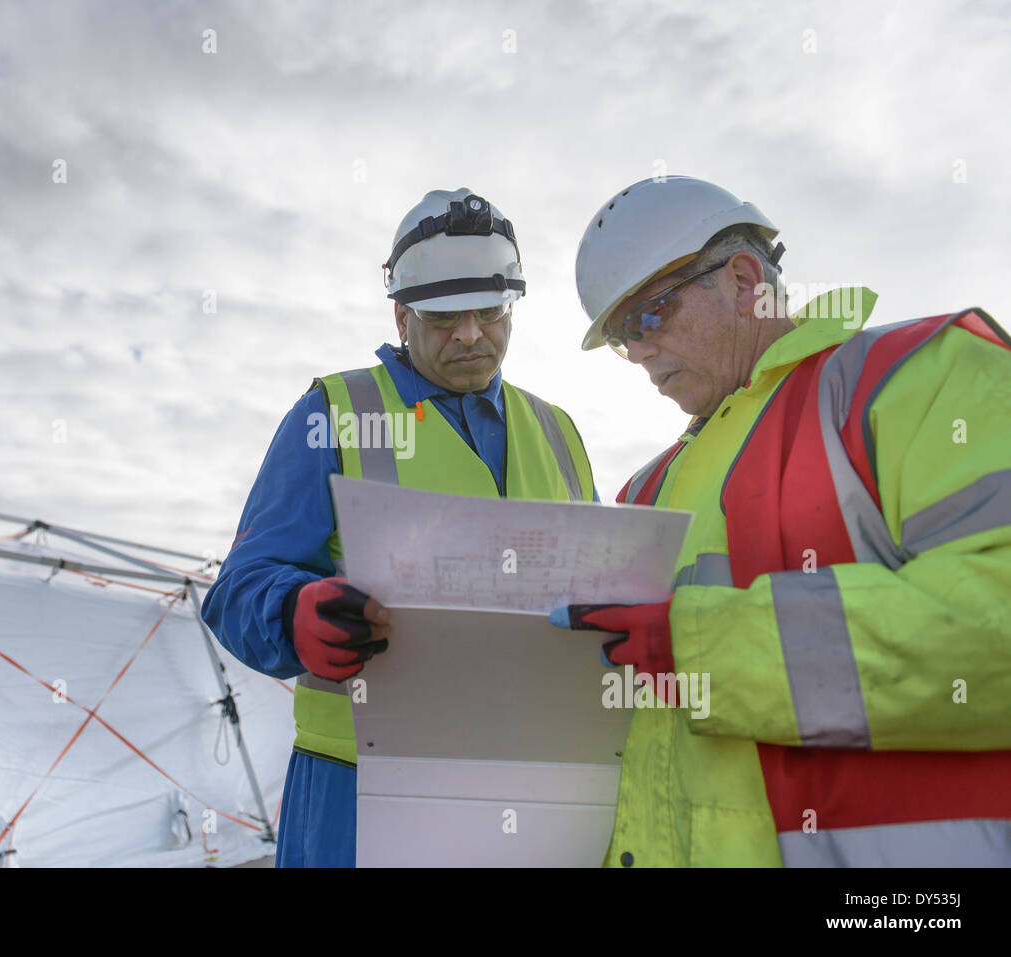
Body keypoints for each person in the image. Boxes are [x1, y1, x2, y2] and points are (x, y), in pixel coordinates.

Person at [552, 175, 1011, 866]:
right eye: (621, 336)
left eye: (647, 316)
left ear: (742, 280)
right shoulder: (644, 490)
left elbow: (994, 623)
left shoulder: (918, 377)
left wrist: (702, 647)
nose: (639, 351)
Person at [203, 188, 598, 867]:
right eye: (445, 316)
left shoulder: (558, 431)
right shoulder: (335, 410)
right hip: (359, 786)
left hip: (531, 774)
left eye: (491, 311)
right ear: (401, 314)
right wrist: (293, 612)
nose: (471, 334)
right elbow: (238, 586)